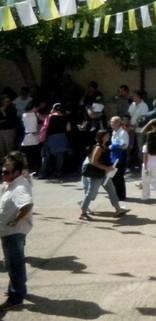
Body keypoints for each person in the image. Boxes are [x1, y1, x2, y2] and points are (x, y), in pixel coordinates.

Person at [0, 151, 33, 310]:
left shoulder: (19, 186)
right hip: (11, 231)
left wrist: (14, 221)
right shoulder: (11, 183)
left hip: (13, 232)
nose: (3, 173)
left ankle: (16, 296)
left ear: (17, 172)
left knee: (14, 264)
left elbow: (27, 204)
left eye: (6, 171)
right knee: (16, 263)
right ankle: (18, 289)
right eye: (3, 169)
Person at [79, 130, 129, 220]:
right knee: (91, 193)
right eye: (106, 135)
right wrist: (106, 168)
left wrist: (109, 167)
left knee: (112, 190)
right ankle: (83, 212)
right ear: (102, 137)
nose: (108, 136)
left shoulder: (104, 146)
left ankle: (118, 209)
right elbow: (94, 162)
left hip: (103, 173)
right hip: (96, 174)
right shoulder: (98, 148)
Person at [39, 103, 71, 179]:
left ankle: (43, 173)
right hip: (62, 137)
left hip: (50, 137)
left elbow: (44, 127)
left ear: (53, 109)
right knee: (60, 156)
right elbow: (68, 129)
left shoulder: (49, 117)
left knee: (46, 156)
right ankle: (58, 172)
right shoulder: (65, 117)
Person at [108, 115, 129, 201]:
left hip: (121, 155)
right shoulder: (113, 132)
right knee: (114, 175)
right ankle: (116, 193)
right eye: (111, 122)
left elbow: (124, 145)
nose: (111, 124)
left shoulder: (123, 133)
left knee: (119, 175)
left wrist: (112, 146)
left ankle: (121, 195)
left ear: (118, 123)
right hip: (114, 155)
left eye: (113, 122)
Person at [19, 101, 42, 174]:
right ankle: (35, 169)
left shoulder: (23, 115)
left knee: (28, 155)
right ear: (34, 107)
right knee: (34, 155)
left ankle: (30, 169)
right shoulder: (35, 115)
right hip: (33, 137)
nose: (37, 109)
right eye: (36, 108)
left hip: (27, 137)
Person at [142, 129, 156, 200]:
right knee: (155, 180)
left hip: (147, 165)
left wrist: (145, 168)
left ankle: (145, 196)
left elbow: (145, 158)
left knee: (145, 181)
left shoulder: (146, 147)